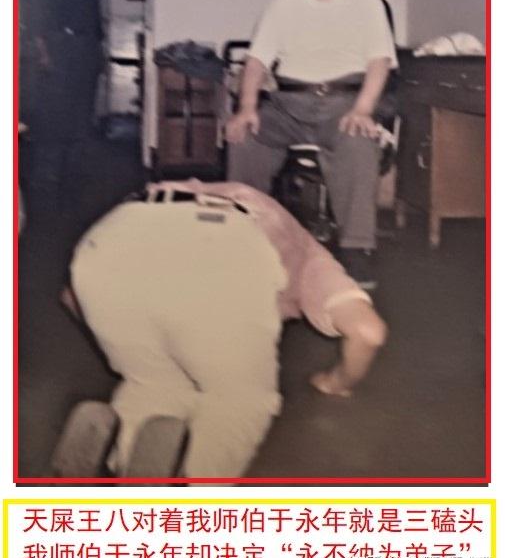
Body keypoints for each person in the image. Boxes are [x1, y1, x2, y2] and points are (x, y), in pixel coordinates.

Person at [54, 180, 387, 482]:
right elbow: (368, 332)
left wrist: (123, 338)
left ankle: (117, 464)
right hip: (220, 246)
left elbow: (72, 297)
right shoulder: (306, 250)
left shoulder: (229, 194)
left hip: (109, 240)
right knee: (238, 400)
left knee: (154, 383)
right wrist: (335, 382)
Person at [226, 0, 398, 290]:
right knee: (244, 137)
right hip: (288, 104)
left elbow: (379, 62)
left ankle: (356, 247)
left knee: (358, 140)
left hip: (344, 103)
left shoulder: (367, 3)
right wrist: (247, 108)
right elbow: (255, 62)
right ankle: (242, 235)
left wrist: (363, 109)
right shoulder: (282, 5)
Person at [28, 0, 103, 218]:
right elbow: (35, 19)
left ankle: (74, 180)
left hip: (85, 48)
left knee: (81, 114)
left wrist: (98, 50)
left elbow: (95, 15)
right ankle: (45, 183)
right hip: (58, 47)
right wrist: (44, 54)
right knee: (54, 115)